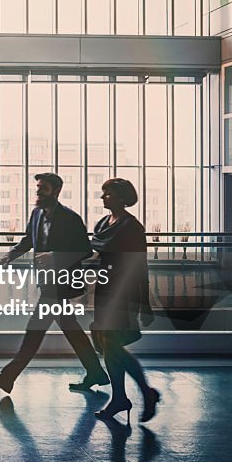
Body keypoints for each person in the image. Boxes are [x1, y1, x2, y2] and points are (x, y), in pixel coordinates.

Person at [0, 172, 109, 394]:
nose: (38, 191)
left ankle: (8, 376)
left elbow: (84, 250)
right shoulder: (37, 214)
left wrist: (55, 256)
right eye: (38, 187)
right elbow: (29, 239)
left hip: (61, 282)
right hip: (47, 281)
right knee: (70, 328)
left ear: (56, 191)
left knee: (35, 329)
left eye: (43, 188)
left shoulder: (70, 218)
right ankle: (96, 371)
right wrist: (12, 253)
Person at [90, 178, 160, 423]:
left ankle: (137, 393)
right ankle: (129, 395)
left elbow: (140, 265)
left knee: (111, 343)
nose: (103, 198)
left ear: (121, 197)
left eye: (107, 194)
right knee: (109, 346)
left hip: (124, 292)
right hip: (105, 289)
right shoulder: (103, 223)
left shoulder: (132, 227)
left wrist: (145, 304)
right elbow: (95, 250)